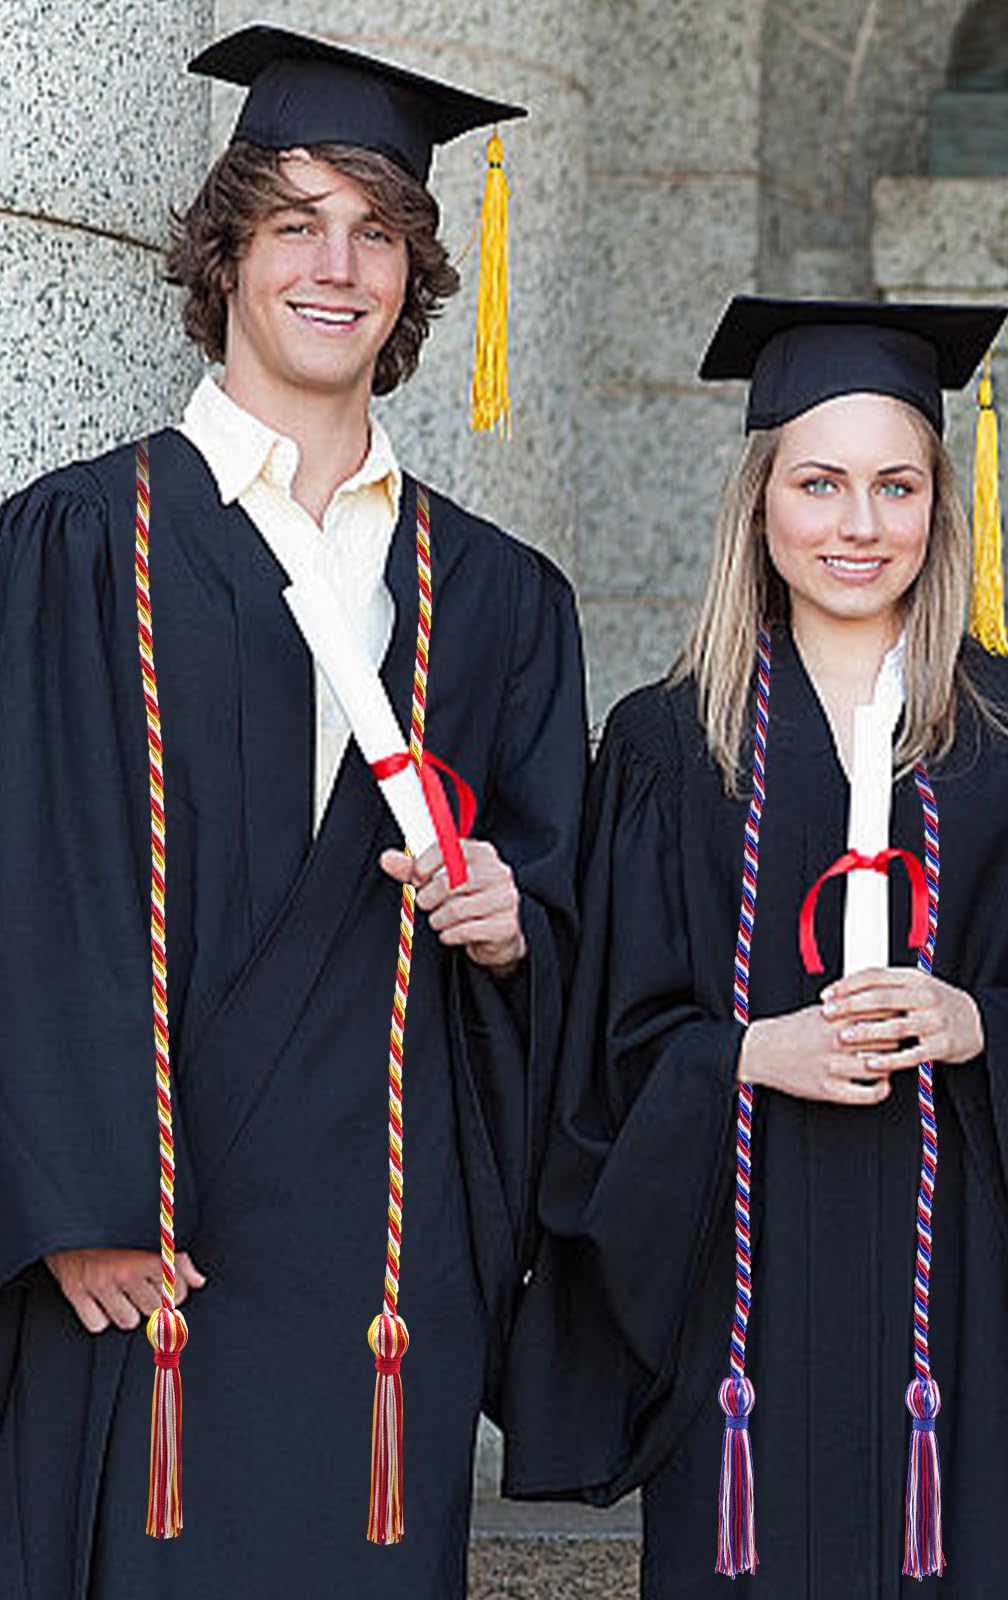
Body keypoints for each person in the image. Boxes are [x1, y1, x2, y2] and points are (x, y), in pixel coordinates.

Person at [0, 26, 585, 1599]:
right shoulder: (76, 544)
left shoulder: (503, 598)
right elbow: (27, 884)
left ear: (415, 278)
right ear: (226, 257)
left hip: (384, 1264)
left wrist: (519, 920)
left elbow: (566, 890)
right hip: (145, 1255)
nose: (339, 267)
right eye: (295, 226)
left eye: (377, 232)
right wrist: (76, 1205)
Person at [498, 297, 1008, 1598]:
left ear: (941, 505)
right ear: (759, 506)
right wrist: (750, 1051)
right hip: (737, 1314)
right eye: (819, 485)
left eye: (896, 486)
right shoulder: (668, 747)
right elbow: (605, 1053)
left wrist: (988, 1022)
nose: (859, 526)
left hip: (965, 1307)